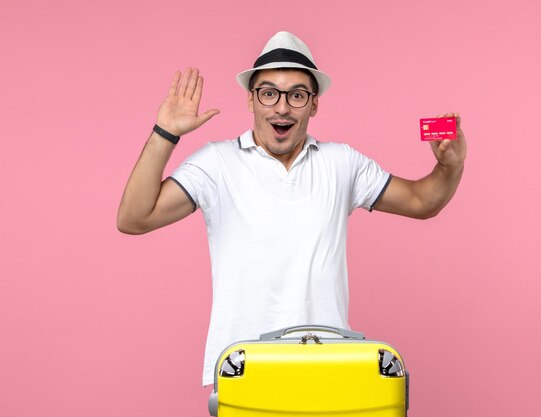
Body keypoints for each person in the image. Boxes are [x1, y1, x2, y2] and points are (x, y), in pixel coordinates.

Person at [117, 31, 467, 386]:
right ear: (251, 101)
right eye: (269, 93)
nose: (281, 107)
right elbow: (134, 218)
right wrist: (165, 133)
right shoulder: (216, 163)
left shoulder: (341, 163)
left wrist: (450, 166)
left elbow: (423, 201)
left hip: (329, 367)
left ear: (314, 104)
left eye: (297, 95)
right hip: (245, 368)